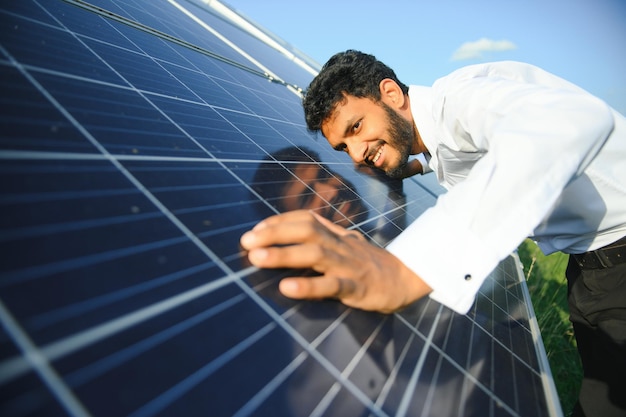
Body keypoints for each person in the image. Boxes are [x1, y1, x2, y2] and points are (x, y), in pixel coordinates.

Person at [240, 50, 626, 416]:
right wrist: (422, 165)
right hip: (590, 264)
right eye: (344, 147)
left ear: (390, 93)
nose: (356, 155)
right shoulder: (438, 133)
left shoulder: (460, 99)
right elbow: (471, 150)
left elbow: (569, 123)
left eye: (356, 127)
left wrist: (411, 270)